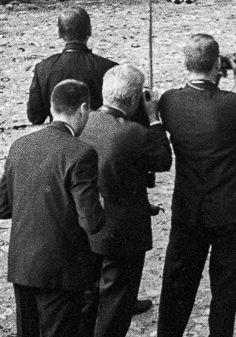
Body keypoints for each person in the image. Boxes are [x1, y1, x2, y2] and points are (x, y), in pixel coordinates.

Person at [157, 34, 236, 337]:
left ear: (185, 64)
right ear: (217, 66)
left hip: (190, 209)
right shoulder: (234, 105)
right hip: (232, 209)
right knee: (225, 287)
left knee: (178, 283)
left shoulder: (169, 102)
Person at [0, 80, 105, 337]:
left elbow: (2, 206)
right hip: (62, 272)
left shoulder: (20, 146)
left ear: (52, 106)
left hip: (23, 266)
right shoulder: (81, 153)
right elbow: (90, 221)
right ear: (83, 109)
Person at [80, 65, 171, 337]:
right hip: (122, 230)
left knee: (89, 295)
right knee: (117, 302)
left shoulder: (83, 123)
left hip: (87, 220)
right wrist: (154, 119)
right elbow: (163, 160)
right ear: (134, 100)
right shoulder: (134, 133)